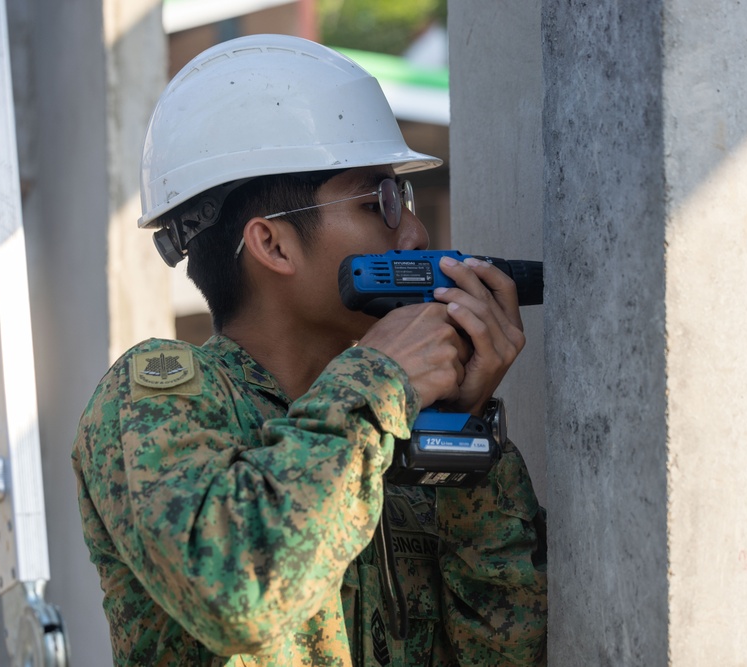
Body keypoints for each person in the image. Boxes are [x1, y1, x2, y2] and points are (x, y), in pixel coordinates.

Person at [71, 34, 547, 666]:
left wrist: (458, 438)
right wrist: (378, 381)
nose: (415, 231)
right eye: (379, 198)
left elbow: (506, 652)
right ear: (273, 245)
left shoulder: (394, 421)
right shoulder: (159, 397)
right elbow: (239, 594)